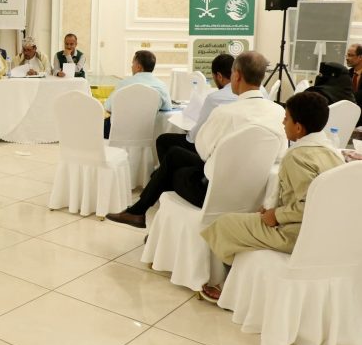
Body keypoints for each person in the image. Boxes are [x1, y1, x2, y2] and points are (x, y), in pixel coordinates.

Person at [106, 51, 286, 228]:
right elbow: (280, 154)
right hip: (253, 194)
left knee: (170, 170)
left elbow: (202, 149)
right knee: (174, 155)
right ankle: (141, 214)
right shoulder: (278, 112)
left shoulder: (225, 113)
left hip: (214, 194)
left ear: (237, 75)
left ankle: (153, 221)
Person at [199, 92, 344, 302]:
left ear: (298, 128)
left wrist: (276, 215)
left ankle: (229, 287)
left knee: (224, 224)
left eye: (286, 119)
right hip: (327, 232)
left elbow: (308, 206)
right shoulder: (333, 152)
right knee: (250, 219)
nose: (283, 123)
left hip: (296, 234)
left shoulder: (298, 156)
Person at [155, 54, 236, 163]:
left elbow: (196, 135)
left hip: (211, 150)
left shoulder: (214, 98)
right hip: (234, 150)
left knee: (163, 140)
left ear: (219, 76)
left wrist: (189, 131)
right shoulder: (248, 95)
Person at [103, 50, 171, 138]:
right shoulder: (161, 86)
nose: (131, 66)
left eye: (132, 64)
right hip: (147, 133)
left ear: (139, 67)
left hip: (119, 133)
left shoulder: (124, 84)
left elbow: (108, 108)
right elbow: (167, 108)